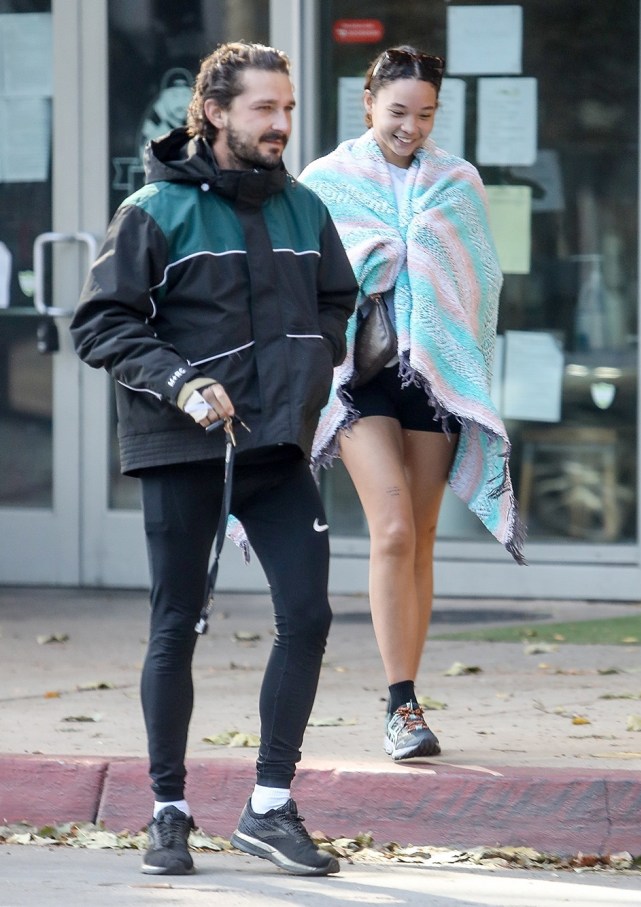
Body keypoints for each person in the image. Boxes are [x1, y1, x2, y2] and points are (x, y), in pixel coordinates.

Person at [70, 42, 357, 878]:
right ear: (217, 113)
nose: (281, 124)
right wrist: (180, 382)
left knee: (307, 614)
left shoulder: (306, 207)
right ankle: (168, 810)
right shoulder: (156, 208)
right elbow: (101, 323)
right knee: (177, 624)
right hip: (182, 445)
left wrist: (317, 356)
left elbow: (337, 298)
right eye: (265, 108)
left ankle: (270, 805)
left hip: (275, 446)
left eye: (288, 108)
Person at [299, 46, 525, 763]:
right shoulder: (325, 181)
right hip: (358, 371)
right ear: (368, 104)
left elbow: (480, 283)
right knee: (392, 527)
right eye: (398, 112)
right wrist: (381, 258)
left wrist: (424, 262)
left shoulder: (458, 181)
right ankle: (399, 705)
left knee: (422, 536)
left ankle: (409, 697)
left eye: (425, 114)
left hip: (434, 371)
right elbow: (306, 279)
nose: (411, 126)